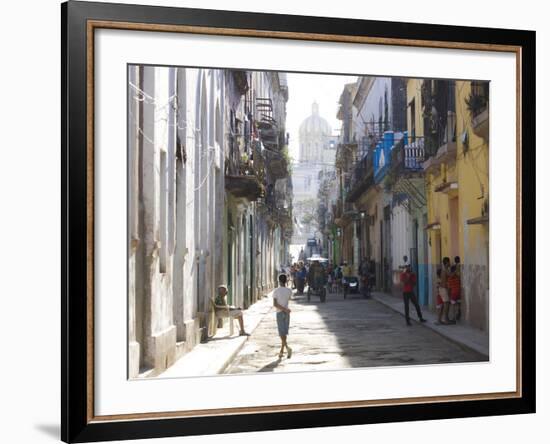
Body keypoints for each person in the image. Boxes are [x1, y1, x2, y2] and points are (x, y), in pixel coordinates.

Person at [273, 273, 293, 359]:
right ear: (286, 281)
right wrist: (285, 309)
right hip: (287, 313)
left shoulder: (276, 291)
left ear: (279, 281)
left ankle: (287, 348)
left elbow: (275, 304)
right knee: (284, 333)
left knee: (282, 333)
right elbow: (288, 299)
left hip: (280, 313)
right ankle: (281, 351)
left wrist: (283, 309)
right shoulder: (289, 291)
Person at [438, 257, 455, 325]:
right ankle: (445, 319)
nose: (449, 263)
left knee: (443, 305)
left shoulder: (444, 269)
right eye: (449, 262)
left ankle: (441, 319)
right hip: (443, 289)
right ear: (446, 262)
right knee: (446, 304)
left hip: (442, 288)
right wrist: (456, 270)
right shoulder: (445, 270)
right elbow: (451, 275)